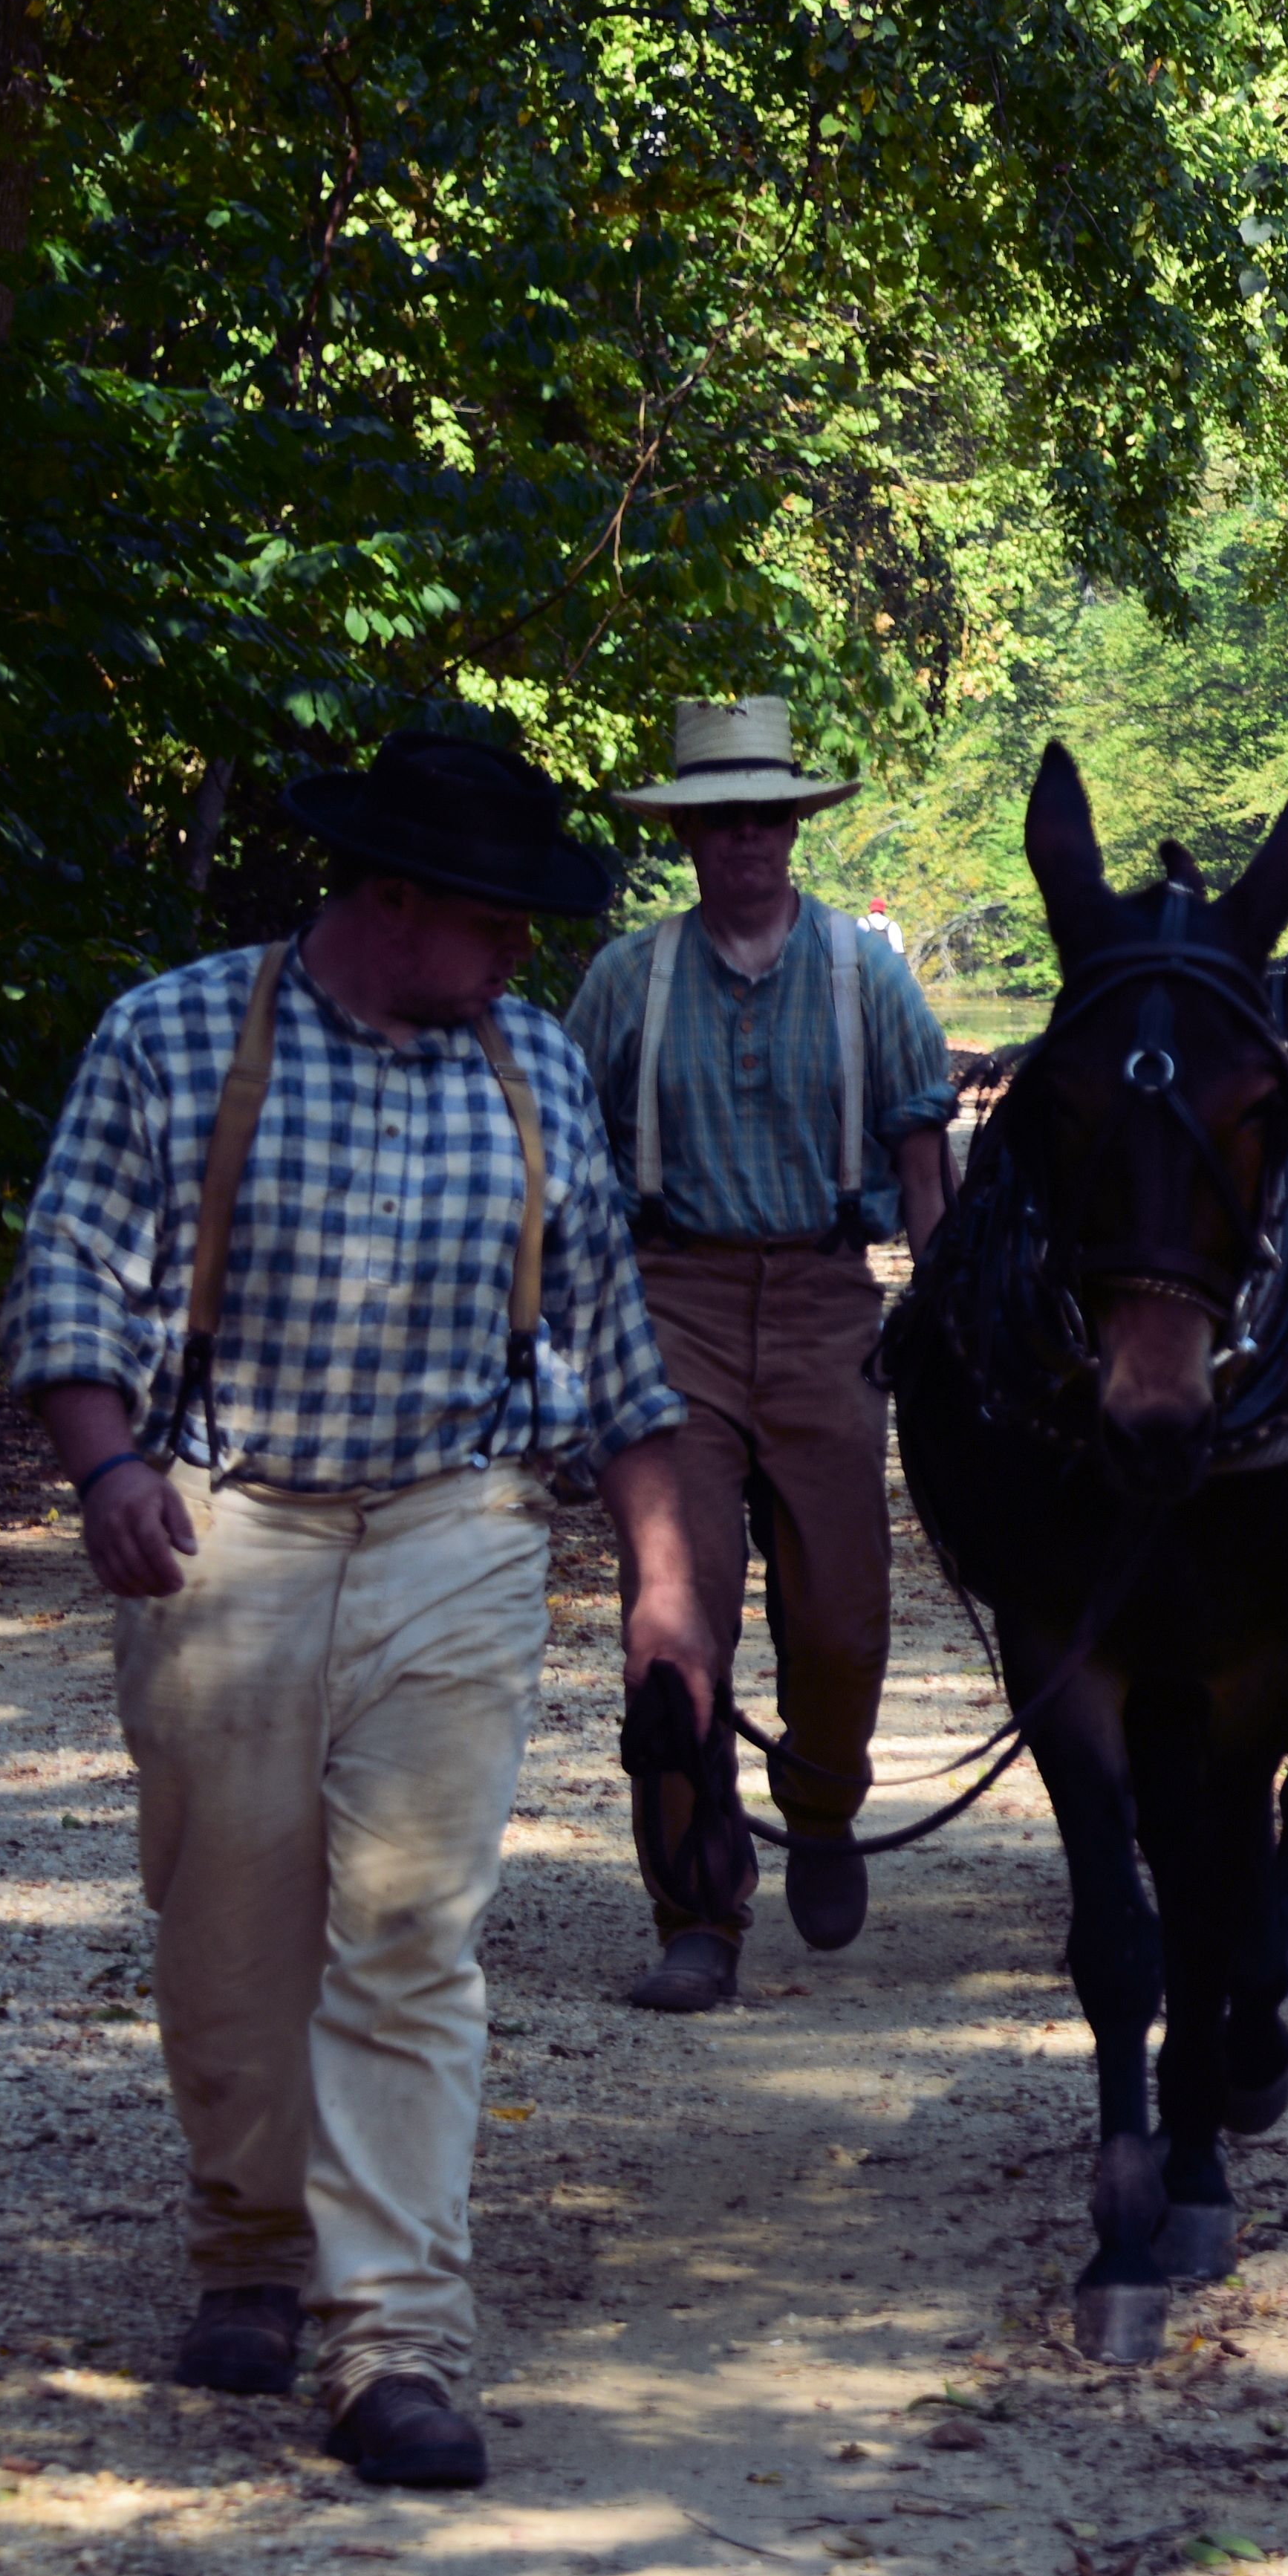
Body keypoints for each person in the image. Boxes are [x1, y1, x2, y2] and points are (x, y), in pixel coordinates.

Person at [10, 727, 706, 2489]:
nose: (522, 952)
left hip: (458, 1528)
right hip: (224, 1527)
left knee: (410, 1930)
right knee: (231, 1918)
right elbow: (72, 1271)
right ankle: (250, 2245)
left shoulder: (535, 1064)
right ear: (392, 897)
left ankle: (393, 2332)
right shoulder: (174, 1033)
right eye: (497, 916)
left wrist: (668, 1588)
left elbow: (617, 1353)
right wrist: (106, 1467)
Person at [567, 699, 956, 2017]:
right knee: (673, 1629)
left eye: (768, 817)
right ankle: (696, 1910)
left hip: (826, 1303)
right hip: (666, 1301)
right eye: (722, 820)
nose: (748, 840)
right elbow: (569, 1167)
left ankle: (824, 1806)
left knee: (842, 1618)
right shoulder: (629, 977)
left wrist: (941, 1312)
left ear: (796, 828)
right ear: (685, 836)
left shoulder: (866, 972)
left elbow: (919, 1156)